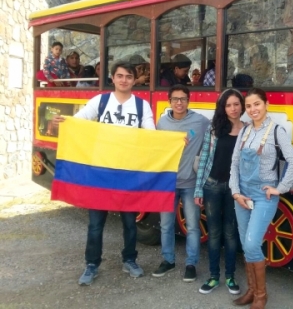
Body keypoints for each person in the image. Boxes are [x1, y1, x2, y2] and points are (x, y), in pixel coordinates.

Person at [53, 61, 156, 286]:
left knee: (130, 222)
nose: (124, 80)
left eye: (128, 76)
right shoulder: (100, 101)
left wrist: (174, 141)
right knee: (96, 223)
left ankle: (129, 259)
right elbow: (79, 121)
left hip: (128, 172)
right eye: (120, 76)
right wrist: (64, 122)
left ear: (134, 80)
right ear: (112, 78)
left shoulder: (142, 106)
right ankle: (91, 264)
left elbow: (151, 135)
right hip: (101, 170)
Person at [230, 88, 293, 309]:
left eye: (257, 104)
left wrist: (280, 188)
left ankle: (261, 295)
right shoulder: (244, 132)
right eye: (249, 106)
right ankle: (251, 290)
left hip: (263, 195)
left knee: (252, 243)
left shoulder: (277, 131)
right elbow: (234, 165)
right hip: (242, 195)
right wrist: (235, 191)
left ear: (266, 104)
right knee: (245, 243)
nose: (253, 109)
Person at [154, 84, 210, 282]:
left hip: (191, 183)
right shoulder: (161, 123)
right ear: (169, 101)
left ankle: (191, 264)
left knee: (193, 226)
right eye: (175, 99)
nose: (179, 102)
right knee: (166, 225)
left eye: (183, 99)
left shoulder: (201, 122)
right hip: (167, 183)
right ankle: (168, 260)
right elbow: (157, 149)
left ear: (188, 101)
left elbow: (215, 134)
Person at [194, 89, 245, 295]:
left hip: (235, 190)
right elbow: (204, 159)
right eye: (228, 105)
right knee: (214, 233)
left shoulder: (248, 130)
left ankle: (231, 276)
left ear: (242, 106)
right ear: (223, 108)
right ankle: (214, 277)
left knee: (231, 233)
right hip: (212, 186)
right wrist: (199, 188)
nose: (233, 108)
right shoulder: (214, 129)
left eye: (236, 104)